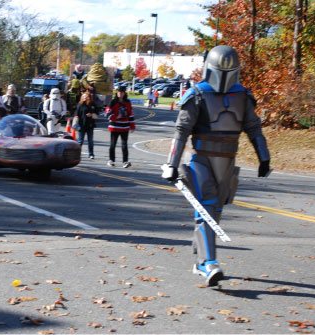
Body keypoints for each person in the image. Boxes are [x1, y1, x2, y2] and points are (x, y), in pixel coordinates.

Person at [161, 45, 271, 286]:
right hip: (203, 161)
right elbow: (182, 131)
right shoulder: (197, 94)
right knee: (207, 210)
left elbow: (253, 128)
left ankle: (200, 257)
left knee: (214, 212)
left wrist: (264, 157)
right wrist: (171, 163)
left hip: (228, 162)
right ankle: (208, 262)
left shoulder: (242, 95)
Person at [104, 85, 135, 168]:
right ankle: (111, 160)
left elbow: (130, 114)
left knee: (124, 145)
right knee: (112, 144)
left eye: (121, 92)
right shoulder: (113, 102)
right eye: (118, 92)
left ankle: (125, 161)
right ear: (116, 93)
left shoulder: (128, 102)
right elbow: (106, 114)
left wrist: (132, 126)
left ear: (124, 93)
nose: (120, 94)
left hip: (125, 127)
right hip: (115, 127)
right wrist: (116, 117)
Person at [75, 91, 98, 159]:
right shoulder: (79, 105)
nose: (84, 98)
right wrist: (75, 126)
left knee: (90, 141)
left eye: (86, 96)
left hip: (90, 125)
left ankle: (91, 154)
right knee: (80, 141)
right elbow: (76, 116)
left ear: (89, 97)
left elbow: (96, 116)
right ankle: (77, 154)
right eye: (83, 96)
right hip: (81, 126)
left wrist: (91, 115)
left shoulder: (93, 105)